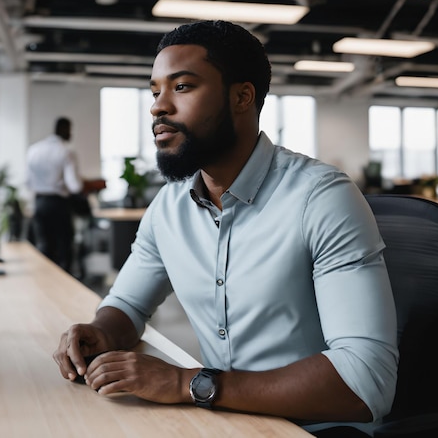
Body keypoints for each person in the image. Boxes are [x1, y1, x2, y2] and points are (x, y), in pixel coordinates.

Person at [53, 21, 398, 436]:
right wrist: (100, 333)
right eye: (155, 90)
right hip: (226, 422)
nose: (158, 106)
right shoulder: (171, 205)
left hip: (316, 429)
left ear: (241, 96)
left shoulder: (321, 198)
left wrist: (186, 383)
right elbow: (127, 304)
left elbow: (366, 382)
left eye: (181, 87)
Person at [26, 117, 83, 273]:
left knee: (44, 245)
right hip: (59, 204)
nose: (71, 134)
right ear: (64, 129)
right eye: (70, 130)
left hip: (39, 203)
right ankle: (66, 285)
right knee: (64, 247)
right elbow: (75, 186)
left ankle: (46, 283)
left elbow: (28, 182)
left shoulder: (33, 150)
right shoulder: (65, 151)